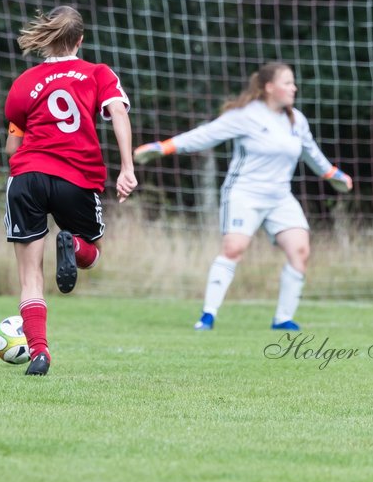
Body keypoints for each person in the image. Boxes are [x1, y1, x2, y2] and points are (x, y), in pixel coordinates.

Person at [134, 61, 351, 332]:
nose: (293, 87)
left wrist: (333, 174)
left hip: (280, 198)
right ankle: (207, 317)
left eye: (293, 83)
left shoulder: (297, 120)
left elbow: (311, 153)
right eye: (287, 82)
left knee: (300, 251)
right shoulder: (246, 115)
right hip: (244, 194)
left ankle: (282, 320)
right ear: (269, 87)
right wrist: (163, 147)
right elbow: (205, 135)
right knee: (233, 250)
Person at [3, 5, 137, 376]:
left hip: (27, 177)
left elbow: (13, 146)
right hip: (76, 178)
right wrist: (127, 168)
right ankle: (74, 245)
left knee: (31, 277)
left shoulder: (25, 83)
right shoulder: (97, 73)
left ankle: (39, 353)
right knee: (93, 252)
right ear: (80, 40)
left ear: (47, 38)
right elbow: (119, 113)